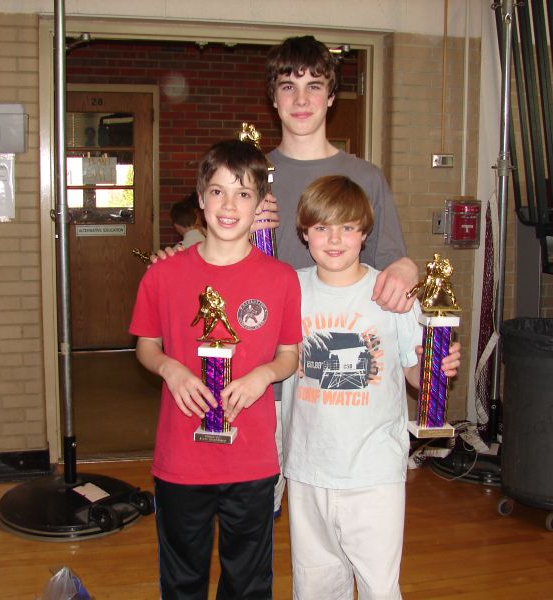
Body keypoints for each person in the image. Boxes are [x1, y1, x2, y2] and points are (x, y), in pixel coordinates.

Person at [129, 138, 301, 599]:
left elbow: (290, 354)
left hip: (252, 457)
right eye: (219, 192)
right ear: (201, 199)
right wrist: (171, 369)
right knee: (183, 579)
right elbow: (146, 346)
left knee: (248, 582)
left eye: (243, 194)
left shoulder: (281, 278)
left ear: (261, 204)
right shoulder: (163, 274)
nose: (230, 205)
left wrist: (263, 374)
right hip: (181, 457)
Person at [281, 175, 461, 600]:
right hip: (308, 467)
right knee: (315, 585)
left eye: (347, 227)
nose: (335, 239)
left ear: (365, 231)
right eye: (322, 227)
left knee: (380, 587)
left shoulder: (393, 294)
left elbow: (415, 372)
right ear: (304, 233)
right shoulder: (290, 289)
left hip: (374, 470)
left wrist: (438, 369)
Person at [262, 34, 419, 516]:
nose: (302, 98)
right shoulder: (251, 176)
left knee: (340, 507)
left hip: (332, 373)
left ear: (332, 95)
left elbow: (392, 260)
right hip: (264, 372)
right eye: (289, 86)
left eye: (314, 85)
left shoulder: (364, 177)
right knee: (259, 511)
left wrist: (409, 267)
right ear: (273, 98)